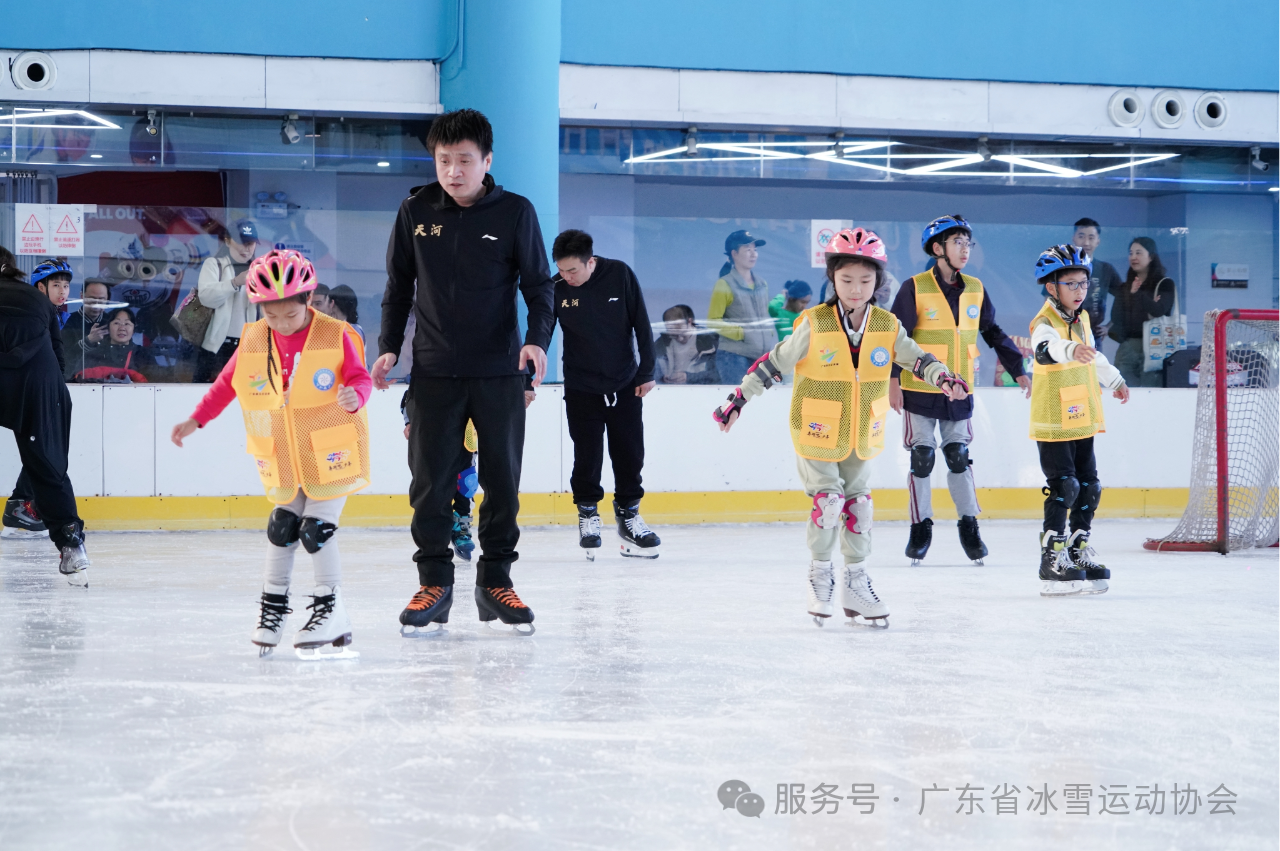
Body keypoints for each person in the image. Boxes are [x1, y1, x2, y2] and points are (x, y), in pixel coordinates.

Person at [711, 228, 969, 628]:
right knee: (828, 501)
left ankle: (856, 582)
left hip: (862, 430)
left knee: (859, 507)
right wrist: (738, 400)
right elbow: (774, 362)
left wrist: (944, 378)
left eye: (865, 280)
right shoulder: (814, 323)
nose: (855, 289)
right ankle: (820, 575)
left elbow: (918, 358)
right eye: (846, 279)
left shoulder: (886, 325)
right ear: (832, 278)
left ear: (877, 282)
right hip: (816, 428)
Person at [373, 108, 554, 636]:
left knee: (502, 481)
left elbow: (539, 287)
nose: (453, 171)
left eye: (465, 160)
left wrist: (537, 341)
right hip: (433, 370)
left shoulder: (515, 212)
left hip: (500, 370)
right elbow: (398, 287)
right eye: (444, 160)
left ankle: (495, 581)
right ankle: (434, 583)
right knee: (429, 484)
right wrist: (389, 348)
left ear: (487, 161)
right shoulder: (415, 211)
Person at [170, 249, 372, 658]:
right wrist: (196, 419)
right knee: (282, 527)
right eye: (270, 314)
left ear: (308, 300)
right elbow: (227, 385)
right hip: (283, 453)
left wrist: (355, 396)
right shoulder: (254, 338)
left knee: (315, 529)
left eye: (290, 315)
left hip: (330, 451)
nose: (280, 323)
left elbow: (360, 378)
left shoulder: (336, 334)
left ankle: (331, 610)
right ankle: (272, 610)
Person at [888, 214, 1030, 565]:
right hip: (918, 387)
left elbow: (991, 331)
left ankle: (969, 525)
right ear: (938, 249)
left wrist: (1017, 369)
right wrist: (892, 381)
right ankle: (920, 527)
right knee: (922, 458)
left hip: (959, 390)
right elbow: (896, 338)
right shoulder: (914, 287)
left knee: (957, 456)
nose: (965, 249)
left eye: (968, 243)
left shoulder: (976, 288)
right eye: (957, 243)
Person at [551, 228, 660, 560]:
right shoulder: (556, 288)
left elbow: (641, 323)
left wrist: (647, 371)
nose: (566, 277)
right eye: (561, 270)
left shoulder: (619, 274)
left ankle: (629, 516)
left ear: (590, 261)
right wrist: (528, 376)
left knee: (629, 453)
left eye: (572, 270)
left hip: (625, 383)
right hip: (580, 386)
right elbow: (542, 329)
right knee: (586, 455)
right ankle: (588, 515)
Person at [1029, 246, 1129, 596]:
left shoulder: (1082, 318)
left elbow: (1093, 356)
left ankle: (1076, 550)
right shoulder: (1045, 322)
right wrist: (1070, 349)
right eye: (1070, 283)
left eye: (1084, 283)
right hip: (1053, 418)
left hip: (1081, 415)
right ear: (1051, 287)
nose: (1079, 290)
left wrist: (1114, 379)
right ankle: (1051, 560)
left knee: (1089, 487)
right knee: (1065, 487)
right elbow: (1047, 349)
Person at [0, 247, 90, 582]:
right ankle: (71, 545)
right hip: (40, 385)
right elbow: (56, 351)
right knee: (48, 465)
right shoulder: (38, 301)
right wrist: (55, 395)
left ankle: (22, 505)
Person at [3, 259, 75, 540]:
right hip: (26, 387)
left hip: (43, 388)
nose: (63, 291)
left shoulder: (59, 314)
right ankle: (21, 503)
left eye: (66, 285)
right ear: (39, 287)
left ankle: (22, 503)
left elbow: (58, 353)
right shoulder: (32, 312)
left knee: (43, 446)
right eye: (56, 285)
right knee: (43, 448)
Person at [193, 219, 259, 383]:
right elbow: (206, 297)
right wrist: (235, 282)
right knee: (206, 392)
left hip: (249, 348)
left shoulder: (260, 269)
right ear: (228, 241)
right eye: (241, 242)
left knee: (246, 394)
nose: (246, 248)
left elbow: (268, 311)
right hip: (215, 347)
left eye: (251, 243)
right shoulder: (214, 264)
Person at [708, 230, 775, 383]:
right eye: (748, 249)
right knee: (740, 397)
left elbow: (763, 315)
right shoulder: (724, 284)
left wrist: (768, 332)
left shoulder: (762, 284)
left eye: (755, 250)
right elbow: (713, 321)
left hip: (760, 356)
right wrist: (742, 333)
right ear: (734, 254)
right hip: (733, 356)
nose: (753, 254)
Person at [1108, 236, 1175, 388]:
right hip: (1129, 347)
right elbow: (1117, 317)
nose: (1133, 257)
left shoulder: (1165, 284)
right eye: (1131, 253)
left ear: (1151, 257)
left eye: (1138, 253)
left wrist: (1138, 295)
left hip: (1156, 346)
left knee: (1152, 392)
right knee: (1123, 392)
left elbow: (1158, 310)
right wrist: (1124, 340)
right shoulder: (1124, 287)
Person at [74, 307, 158, 383]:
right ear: (108, 328)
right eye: (116, 323)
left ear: (133, 329)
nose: (122, 328)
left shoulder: (144, 356)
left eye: (127, 324)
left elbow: (155, 383)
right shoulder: (92, 356)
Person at [1070, 218, 1121, 339]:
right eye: (1081, 236)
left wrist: (1109, 327)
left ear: (1098, 241)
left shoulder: (1106, 269)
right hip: (1066, 334)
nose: (1086, 243)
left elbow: (1124, 298)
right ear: (1074, 238)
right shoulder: (1062, 267)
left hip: (1094, 335)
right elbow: (1049, 300)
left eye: (1091, 238)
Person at [61, 277, 113, 378]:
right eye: (92, 299)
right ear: (82, 296)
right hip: (73, 380)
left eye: (101, 300)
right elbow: (64, 358)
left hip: (107, 379)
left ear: (107, 299)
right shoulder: (67, 321)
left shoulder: (112, 322)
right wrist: (88, 341)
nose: (96, 305)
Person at [654, 304, 718, 384]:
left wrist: (689, 377)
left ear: (690, 322)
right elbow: (652, 375)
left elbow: (717, 375)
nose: (679, 338)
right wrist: (662, 378)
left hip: (701, 390)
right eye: (674, 335)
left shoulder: (710, 343)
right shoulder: (659, 346)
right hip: (669, 389)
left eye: (682, 334)